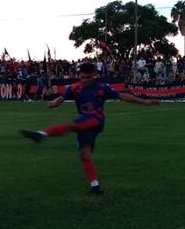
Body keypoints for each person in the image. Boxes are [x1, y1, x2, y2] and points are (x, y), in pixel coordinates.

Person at [20, 61, 160, 195]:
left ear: (94, 75)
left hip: (96, 120)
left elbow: (123, 96)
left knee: (70, 125)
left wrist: (146, 102)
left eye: (88, 77)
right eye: (82, 77)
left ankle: (41, 135)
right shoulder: (74, 87)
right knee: (84, 154)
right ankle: (95, 187)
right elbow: (61, 99)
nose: (85, 80)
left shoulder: (102, 88)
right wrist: (54, 103)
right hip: (84, 123)